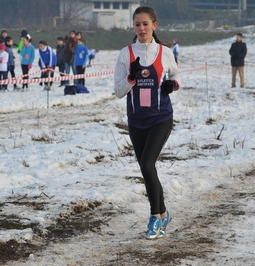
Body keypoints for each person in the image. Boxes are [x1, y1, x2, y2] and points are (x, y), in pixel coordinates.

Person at [114, 6, 181, 240]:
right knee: (146, 168)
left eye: (145, 24)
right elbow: (118, 91)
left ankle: (154, 217)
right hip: (136, 120)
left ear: (154, 25)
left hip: (161, 118)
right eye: (137, 24)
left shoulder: (164, 52)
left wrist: (172, 85)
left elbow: (176, 75)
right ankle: (164, 213)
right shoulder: (126, 54)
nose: (141, 28)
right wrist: (131, 78)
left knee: (147, 163)